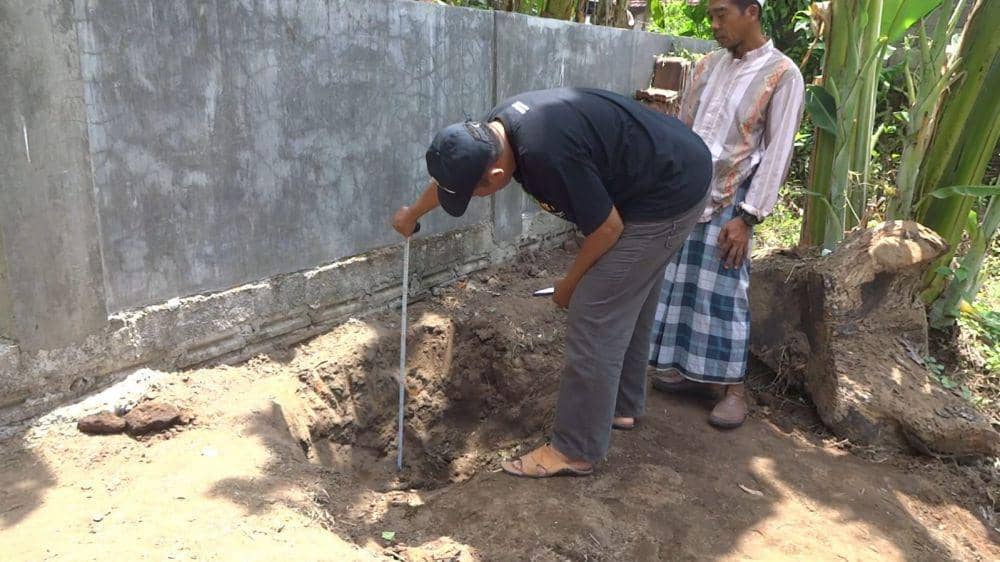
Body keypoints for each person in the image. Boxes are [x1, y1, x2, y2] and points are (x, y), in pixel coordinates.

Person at [393, 87, 712, 477]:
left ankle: (575, 449)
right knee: (625, 293)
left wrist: (569, 285)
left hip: (671, 191)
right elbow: (454, 178)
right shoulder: (494, 131)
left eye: (474, 194)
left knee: (594, 308)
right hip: (659, 170)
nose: (472, 198)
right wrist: (413, 212)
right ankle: (621, 405)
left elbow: (607, 229)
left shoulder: (547, 156)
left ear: (495, 177)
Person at [648, 0, 805, 428]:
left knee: (724, 294)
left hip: (732, 201)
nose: (715, 25)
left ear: (751, 11)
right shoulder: (707, 66)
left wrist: (748, 218)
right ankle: (688, 372)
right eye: (711, 17)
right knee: (682, 286)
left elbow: (778, 151)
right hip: (687, 194)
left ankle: (735, 390)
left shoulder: (782, 74)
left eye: (722, 15)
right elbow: (683, 129)